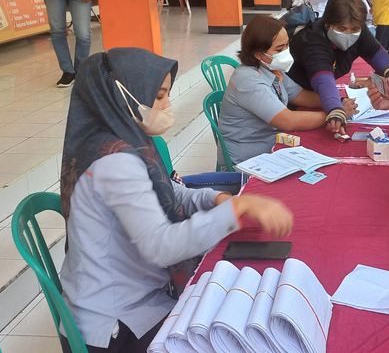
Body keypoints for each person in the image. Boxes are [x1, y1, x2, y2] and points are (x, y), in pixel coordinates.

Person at [58, 48, 293, 352]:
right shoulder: (115, 163)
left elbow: (169, 190)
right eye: (158, 96)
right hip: (116, 323)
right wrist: (235, 209)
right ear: (120, 96)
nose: (167, 106)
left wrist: (217, 199)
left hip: (131, 295)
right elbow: (162, 246)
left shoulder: (119, 138)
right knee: (233, 330)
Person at [218, 16, 354, 165]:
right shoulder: (248, 81)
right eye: (279, 49)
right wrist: (334, 116)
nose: (286, 52)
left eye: (287, 45)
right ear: (258, 54)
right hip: (248, 160)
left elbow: (300, 95)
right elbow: (288, 121)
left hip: (271, 146)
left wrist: (335, 103)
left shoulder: (273, 70)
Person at [288, 0, 389, 134]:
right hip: (296, 98)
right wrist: (335, 109)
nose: (349, 34)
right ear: (327, 24)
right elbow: (323, 79)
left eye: (355, 29)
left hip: (321, 96)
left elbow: (374, 52)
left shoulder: (359, 29)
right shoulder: (313, 42)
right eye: (342, 29)